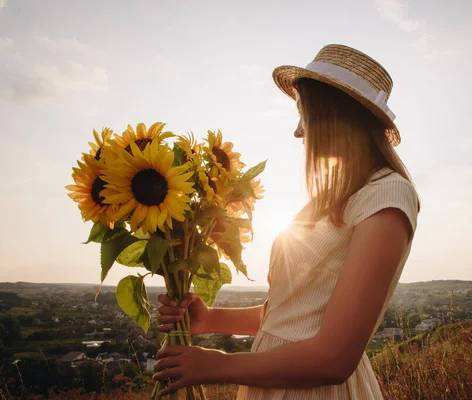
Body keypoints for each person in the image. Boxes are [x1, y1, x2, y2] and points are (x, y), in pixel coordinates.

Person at [153, 44, 420, 399]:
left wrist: (217, 364)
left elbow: (334, 357)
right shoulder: (332, 199)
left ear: (332, 115)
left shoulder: (386, 196)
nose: (298, 131)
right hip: (277, 382)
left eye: (303, 113)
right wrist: (211, 319)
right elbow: (288, 317)